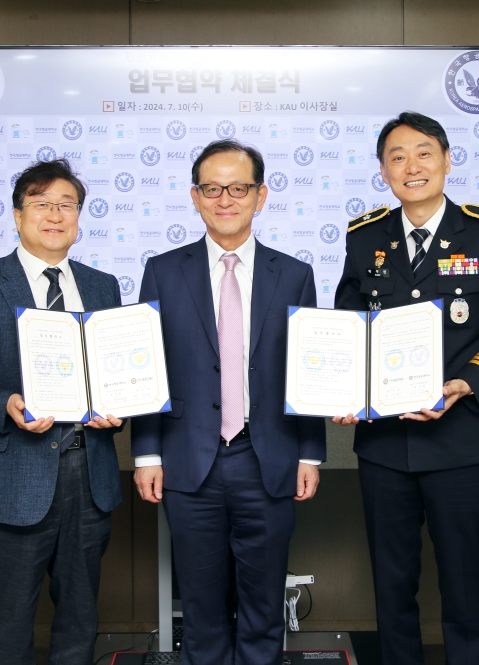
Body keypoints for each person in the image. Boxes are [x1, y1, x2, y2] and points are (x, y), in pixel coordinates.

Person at [334, 112, 479, 665]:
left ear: (448, 160)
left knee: (463, 579)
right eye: (397, 156)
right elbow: (348, 328)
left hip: (461, 441)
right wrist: (346, 388)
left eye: (424, 153)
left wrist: (467, 383)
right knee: (392, 583)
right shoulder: (364, 236)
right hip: (383, 445)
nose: (412, 166)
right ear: (383, 171)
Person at [132, 139, 326, 665]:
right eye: (212, 189)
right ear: (195, 197)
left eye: (238, 188)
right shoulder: (163, 270)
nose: (225, 199)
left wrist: (311, 453)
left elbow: (304, 371)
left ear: (260, 196)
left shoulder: (294, 274)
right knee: (200, 605)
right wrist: (146, 453)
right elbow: (149, 368)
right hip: (187, 460)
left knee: (263, 603)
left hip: (269, 457)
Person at [0, 158, 124, 665]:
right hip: (12, 475)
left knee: (81, 614)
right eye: (41, 204)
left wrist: (118, 407)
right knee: (10, 616)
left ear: (80, 216)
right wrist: (5, 404)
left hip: (90, 473)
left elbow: (116, 372)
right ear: (18, 216)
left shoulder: (103, 285)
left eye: (67, 204)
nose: (55, 215)